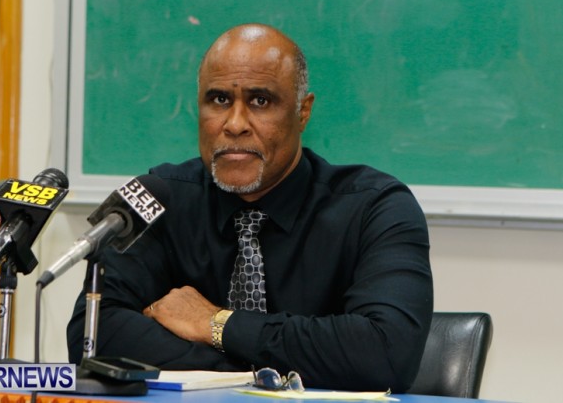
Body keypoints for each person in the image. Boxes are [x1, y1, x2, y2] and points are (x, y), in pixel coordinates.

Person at [67, 23, 433, 392]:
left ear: (303, 112)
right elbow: (91, 334)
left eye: (260, 101)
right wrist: (247, 374)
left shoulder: (376, 207)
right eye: (219, 100)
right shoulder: (156, 197)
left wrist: (217, 324)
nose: (235, 124)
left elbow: (387, 354)